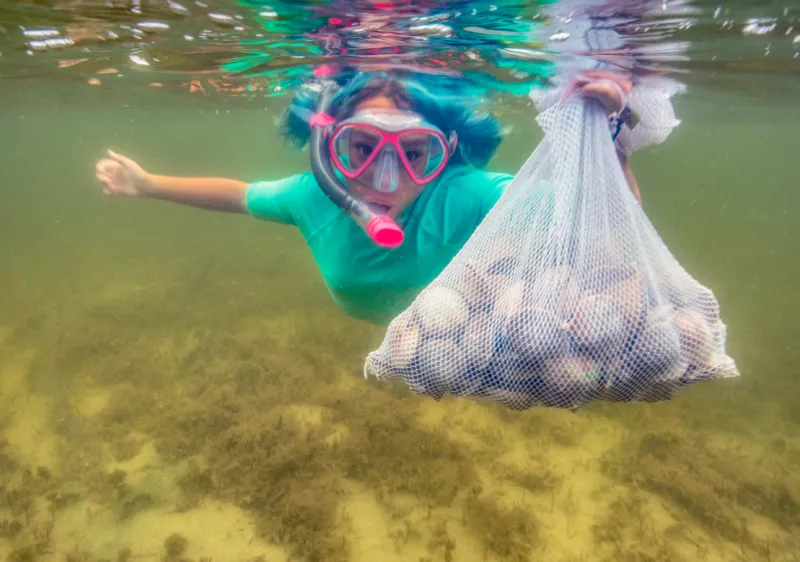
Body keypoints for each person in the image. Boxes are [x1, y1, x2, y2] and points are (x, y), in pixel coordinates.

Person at [95, 70, 637, 326]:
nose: (383, 179)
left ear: (444, 152)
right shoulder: (314, 197)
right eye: (361, 147)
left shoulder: (465, 194)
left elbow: (612, 214)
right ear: (329, 147)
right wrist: (147, 185)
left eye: (414, 153)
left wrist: (616, 137)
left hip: (456, 330)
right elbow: (238, 194)